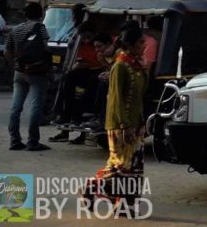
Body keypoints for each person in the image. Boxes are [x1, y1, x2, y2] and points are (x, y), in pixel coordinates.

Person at [84, 21, 148, 205]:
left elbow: (142, 92)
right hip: (121, 124)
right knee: (121, 166)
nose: (144, 46)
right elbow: (116, 98)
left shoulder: (136, 66)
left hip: (136, 122)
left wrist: (143, 69)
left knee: (133, 166)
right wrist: (125, 125)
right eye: (141, 43)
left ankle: (125, 204)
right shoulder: (120, 66)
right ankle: (95, 187)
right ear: (130, 45)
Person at [5, 1, 51, 151]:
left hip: (19, 72)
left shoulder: (15, 30)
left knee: (16, 107)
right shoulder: (40, 28)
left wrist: (16, 66)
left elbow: (7, 52)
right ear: (41, 14)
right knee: (35, 106)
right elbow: (45, 48)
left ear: (25, 14)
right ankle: (33, 141)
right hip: (37, 72)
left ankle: (14, 140)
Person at [49, 23, 104, 144]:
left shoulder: (99, 43)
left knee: (85, 93)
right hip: (83, 70)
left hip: (97, 72)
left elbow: (102, 61)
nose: (86, 40)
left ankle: (81, 122)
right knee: (67, 81)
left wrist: (88, 64)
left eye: (88, 37)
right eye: (83, 38)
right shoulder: (79, 44)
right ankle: (65, 116)